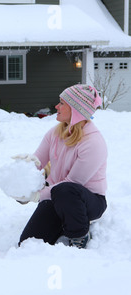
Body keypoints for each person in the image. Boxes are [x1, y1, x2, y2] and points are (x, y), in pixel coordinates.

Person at [13, 84, 107, 249]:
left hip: (87, 202)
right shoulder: (55, 133)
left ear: (75, 110)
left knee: (65, 190)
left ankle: (79, 234)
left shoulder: (93, 142)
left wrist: (37, 196)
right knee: (28, 243)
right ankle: (63, 224)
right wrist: (22, 172)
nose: (56, 106)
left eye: (62, 103)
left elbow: (72, 183)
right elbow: (38, 162)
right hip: (57, 197)